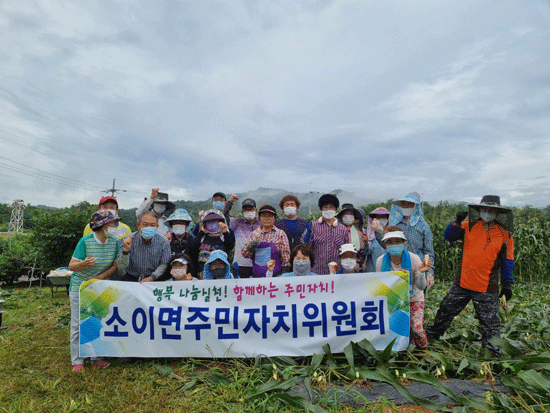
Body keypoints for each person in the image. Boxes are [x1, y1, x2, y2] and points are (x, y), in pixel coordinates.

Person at [426, 195, 514, 355]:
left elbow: (508, 260)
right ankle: (432, 336)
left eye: (491, 210)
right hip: (463, 282)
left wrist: (507, 284)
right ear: (479, 210)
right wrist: (456, 222)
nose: (487, 212)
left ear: (497, 212)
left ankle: (492, 351)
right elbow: (449, 236)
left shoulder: (505, 234)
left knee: (490, 322)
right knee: (446, 309)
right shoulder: (468, 226)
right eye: (484, 209)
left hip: (487, 286)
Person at [68, 210, 121, 372]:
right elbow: (72, 266)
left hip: (98, 287)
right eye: (113, 223)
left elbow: (115, 265)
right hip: (80, 287)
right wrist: (83, 264)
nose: (116, 226)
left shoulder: (114, 242)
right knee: (78, 323)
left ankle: (96, 357)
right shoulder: (85, 242)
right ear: (103, 225)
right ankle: (77, 361)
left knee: (96, 321)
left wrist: (100, 277)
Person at [376, 226, 433, 350]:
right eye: (390, 242)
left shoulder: (414, 259)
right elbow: (382, 286)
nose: (394, 244)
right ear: (385, 244)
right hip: (394, 300)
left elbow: (421, 286)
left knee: (416, 328)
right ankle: (405, 348)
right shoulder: (381, 261)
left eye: (398, 241)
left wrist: (422, 273)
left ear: (404, 243)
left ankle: (424, 349)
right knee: (398, 329)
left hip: (414, 298)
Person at [389, 192, 434, 287]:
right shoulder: (396, 225)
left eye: (410, 204)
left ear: (415, 206)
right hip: (400, 268)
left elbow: (428, 252)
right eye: (404, 204)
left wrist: (429, 272)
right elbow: (388, 244)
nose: (406, 207)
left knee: (417, 296)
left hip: (418, 268)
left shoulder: (423, 226)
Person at [301, 193, 350, 275]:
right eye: (325, 207)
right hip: (317, 272)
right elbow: (304, 247)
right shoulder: (313, 226)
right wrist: (308, 234)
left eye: (331, 207)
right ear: (321, 210)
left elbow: (346, 251)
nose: (328, 210)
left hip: (337, 272)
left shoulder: (343, 229)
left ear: (336, 210)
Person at [116, 211, 171, 282]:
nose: (149, 227)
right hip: (132, 278)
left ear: (157, 227)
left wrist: (152, 277)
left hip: (155, 278)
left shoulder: (163, 241)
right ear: (138, 226)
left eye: (152, 225)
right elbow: (121, 266)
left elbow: (164, 264)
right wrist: (126, 250)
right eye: (145, 225)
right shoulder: (128, 240)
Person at [242, 204, 291, 277]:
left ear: (275, 218)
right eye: (264, 216)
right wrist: (254, 242)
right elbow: (245, 254)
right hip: (257, 278)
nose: (267, 218)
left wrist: (283, 277)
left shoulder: (280, 234)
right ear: (259, 218)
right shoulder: (254, 234)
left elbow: (286, 260)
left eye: (270, 216)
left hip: (276, 277)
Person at [187, 209, 235, 278]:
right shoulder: (202, 238)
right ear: (205, 223)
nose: (212, 223)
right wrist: (201, 232)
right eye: (209, 221)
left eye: (215, 221)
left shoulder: (224, 237)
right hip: (202, 276)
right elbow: (192, 248)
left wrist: (225, 232)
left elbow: (230, 246)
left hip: (221, 276)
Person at [229, 198, 261, 278]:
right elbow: (224, 218)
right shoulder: (237, 222)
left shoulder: (261, 224)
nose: (249, 212)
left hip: (259, 263)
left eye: (251, 209)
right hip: (240, 264)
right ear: (242, 212)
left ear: (256, 210)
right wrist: (230, 202)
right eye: (246, 210)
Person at [337, 204, 369, 269]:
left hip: (356, 267)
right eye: (346, 214)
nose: (348, 216)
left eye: (351, 214)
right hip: (340, 265)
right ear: (341, 217)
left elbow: (363, 252)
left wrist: (360, 263)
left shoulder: (360, 234)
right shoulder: (336, 232)